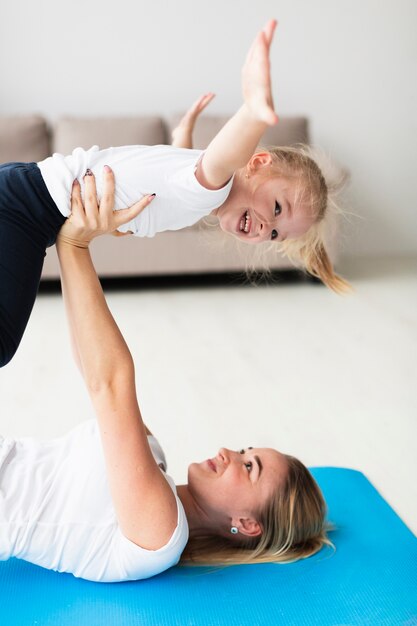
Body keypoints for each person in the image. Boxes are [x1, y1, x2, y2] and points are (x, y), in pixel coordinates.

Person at [0, 170, 330, 582]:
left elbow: (111, 385)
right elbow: (92, 367)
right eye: (247, 452)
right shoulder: (152, 459)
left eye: (248, 468)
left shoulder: (161, 534)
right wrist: (71, 240)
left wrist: (73, 242)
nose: (230, 453)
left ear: (247, 524)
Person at [0, 19, 348, 368]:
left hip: (20, 190)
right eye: (276, 207)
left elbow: (170, 179)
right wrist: (253, 110)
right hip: (28, 210)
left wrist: (182, 137)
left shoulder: (196, 193)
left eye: (275, 233)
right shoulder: (212, 188)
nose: (264, 228)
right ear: (255, 163)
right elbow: (218, 163)